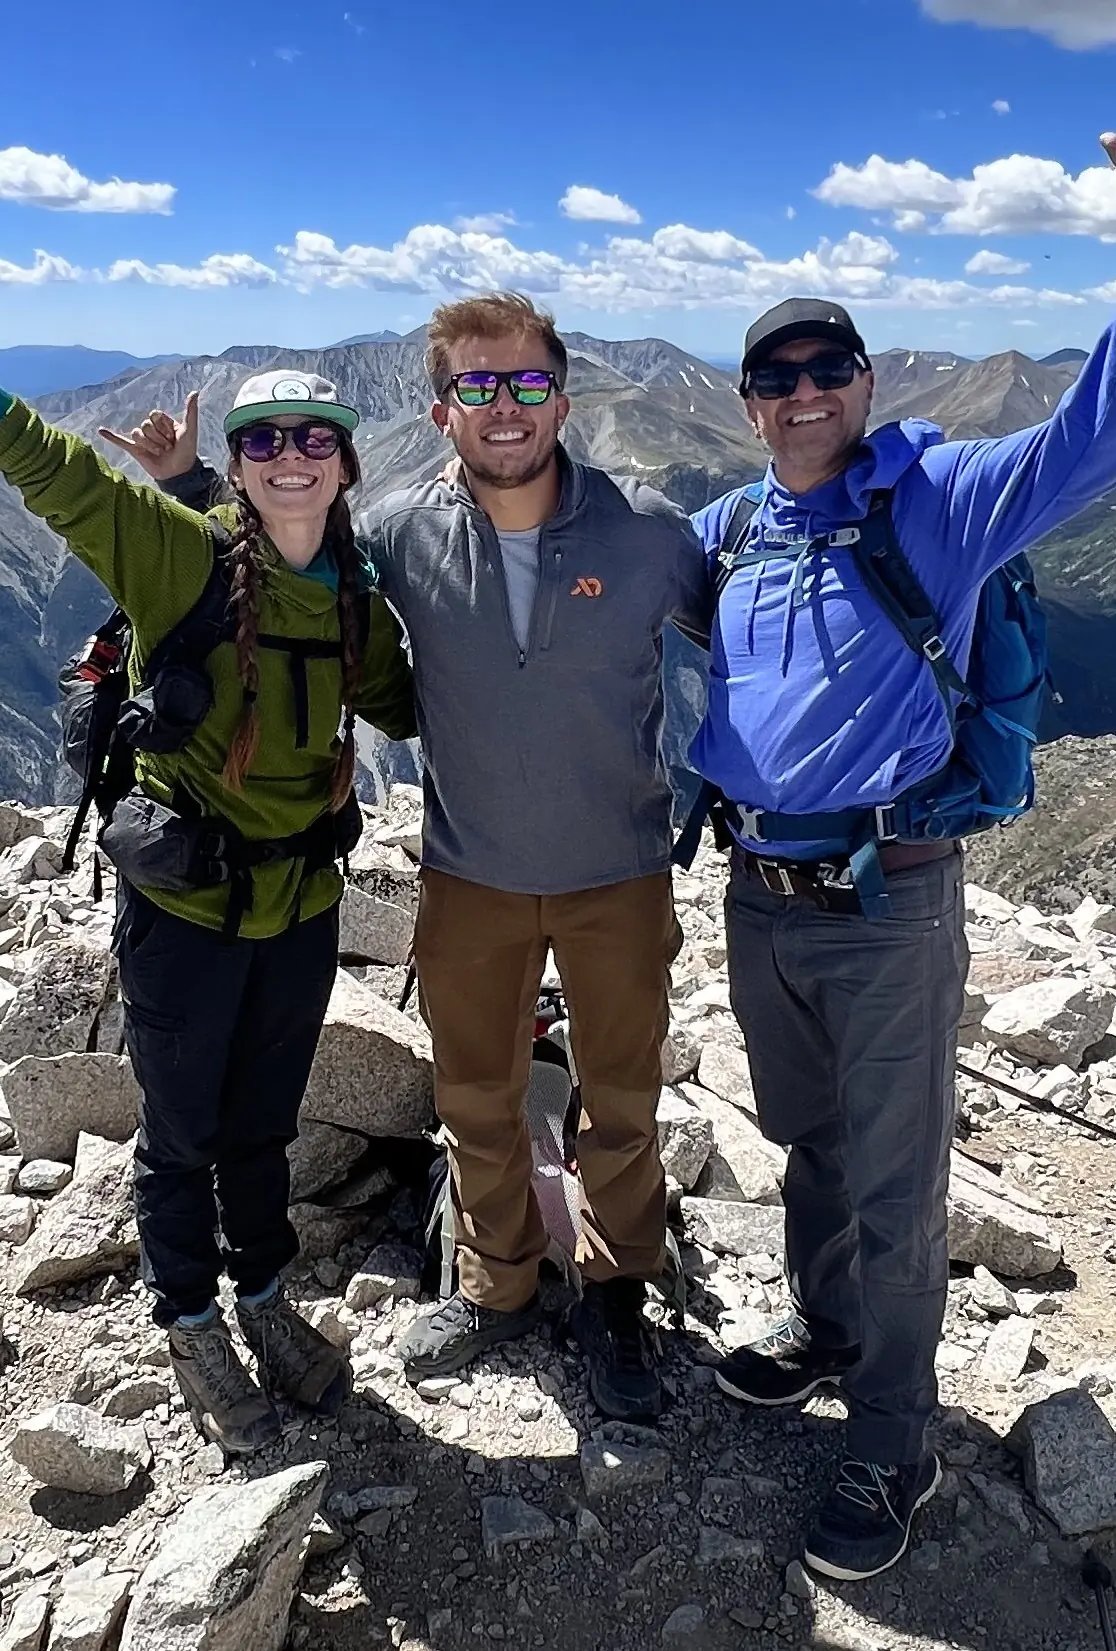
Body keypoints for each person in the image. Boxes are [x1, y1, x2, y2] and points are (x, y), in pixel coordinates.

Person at [688, 52, 1116, 1580]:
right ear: (748, 402)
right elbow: (594, 580)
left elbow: (1097, 433)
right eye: (777, 375)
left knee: (892, 1182)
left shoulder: (936, 501)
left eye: (830, 370)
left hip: (890, 896)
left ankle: (893, 1449)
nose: (805, 392)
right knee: (805, 1140)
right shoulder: (733, 527)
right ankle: (822, 1335)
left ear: (865, 387)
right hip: (758, 894)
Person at [0, 202, 417, 1456]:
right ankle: (188, 1317)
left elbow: (425, 703)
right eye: (264, 437)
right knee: (180, 1133)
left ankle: (263, 1295)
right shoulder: (176, 554)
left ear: (345, 460)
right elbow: (33, 450)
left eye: (311, 439)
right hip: (184, 910)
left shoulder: (361, 598)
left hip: (301, 906)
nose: (288, 457)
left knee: (264, 1119)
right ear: (247, 455)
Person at [371, 295, 710, 1421]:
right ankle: (498, 1285)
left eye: (524, 385)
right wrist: (181, 492)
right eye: (478, 386)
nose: (504, 407)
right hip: (469, 870)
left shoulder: (650, 530)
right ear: (441, 412)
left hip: (618, 864)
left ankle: (617, 1296)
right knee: (475, 1093)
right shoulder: (400, 535)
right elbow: (280, 568)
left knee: (620, 1095)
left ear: (563, 399)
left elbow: (749, 642)